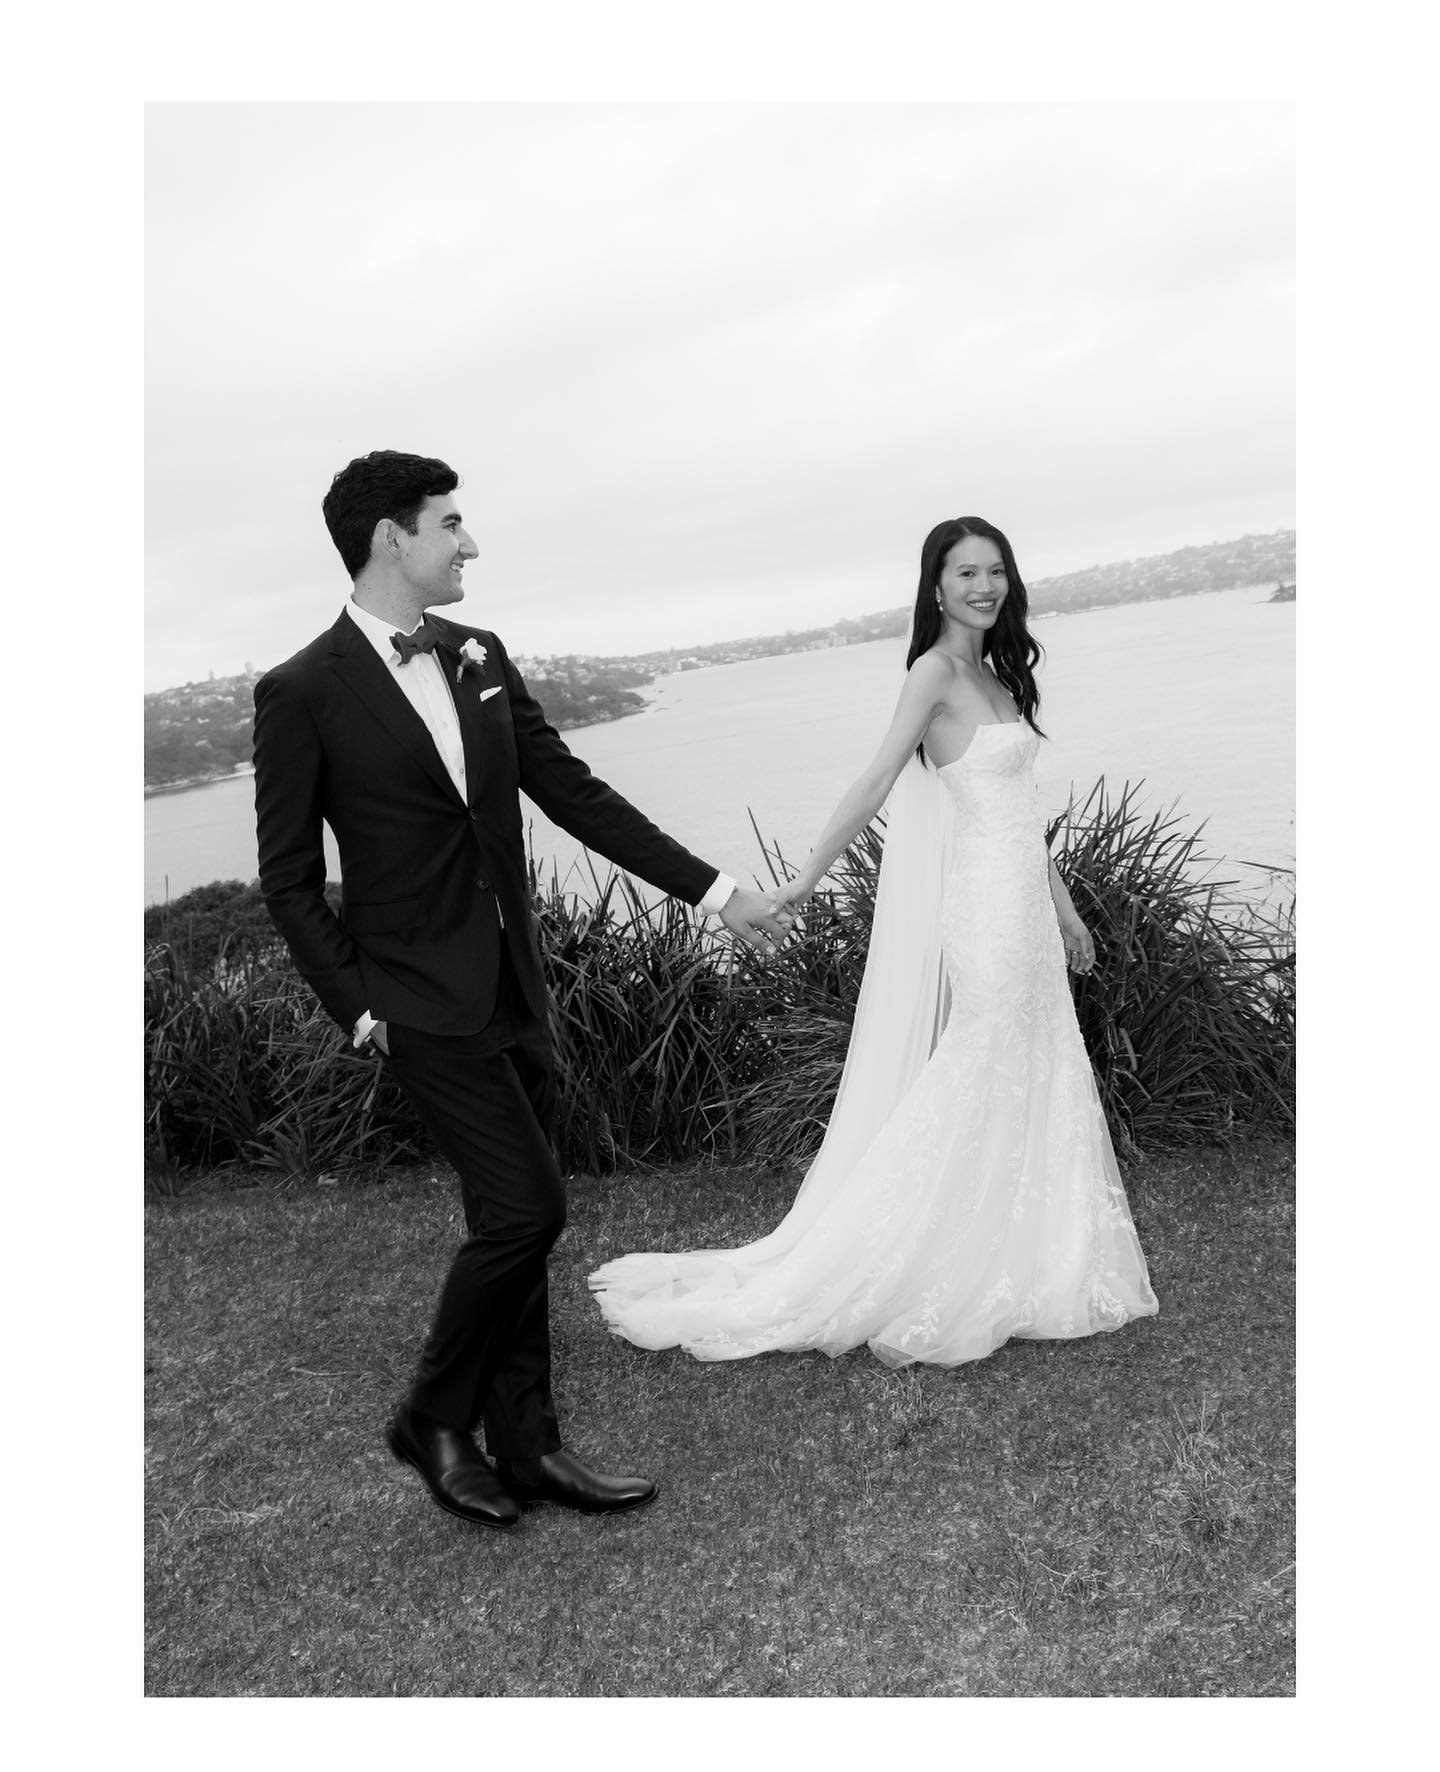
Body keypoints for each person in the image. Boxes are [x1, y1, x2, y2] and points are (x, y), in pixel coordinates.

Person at [253, 449, 791, 1531]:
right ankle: (432, 1418)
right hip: (413, 998)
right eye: (451, 524)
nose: (471, 543)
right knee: (530, 1208)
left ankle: (530, 1445)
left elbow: (571, 791)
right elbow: (289, 880)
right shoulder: (300, 690)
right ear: (390, 538)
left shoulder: (479, 655)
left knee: (512, 1218)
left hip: (515, 983)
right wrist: (361, 1006)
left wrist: (715, 889)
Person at [589, 517, 1159, 1366]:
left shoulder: (998, 674)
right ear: (935, 586)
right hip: (986, 913)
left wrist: (1068, 910)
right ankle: (907, 1249)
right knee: (984, 1061)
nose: (985, 586)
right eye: (966, 572)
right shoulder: (933, 672)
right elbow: (875, 779)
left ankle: (1029, 1252)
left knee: (1042, 1059)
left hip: (1029, 909)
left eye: (996, 571)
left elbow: (1022, 819)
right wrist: (807, 876)